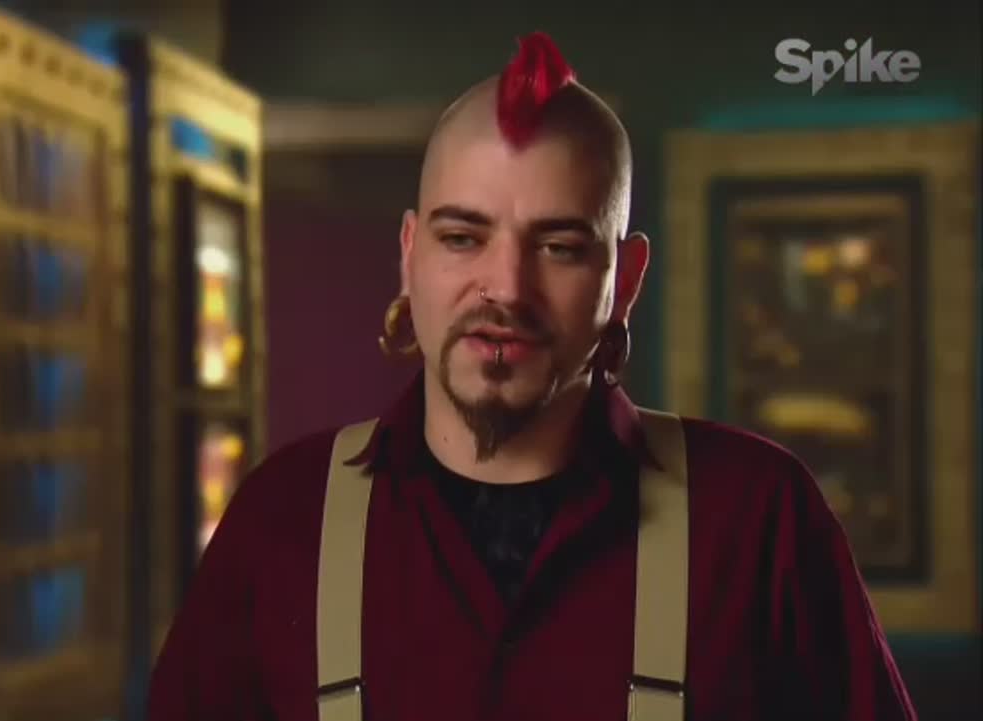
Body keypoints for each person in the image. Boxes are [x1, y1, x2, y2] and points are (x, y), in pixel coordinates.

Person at [147, 32, 917, 721]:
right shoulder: (282, 522)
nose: (507, 288)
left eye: (559, 247)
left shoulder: (758, 520)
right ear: (411, 255)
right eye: (463, 237)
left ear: (626, 279)